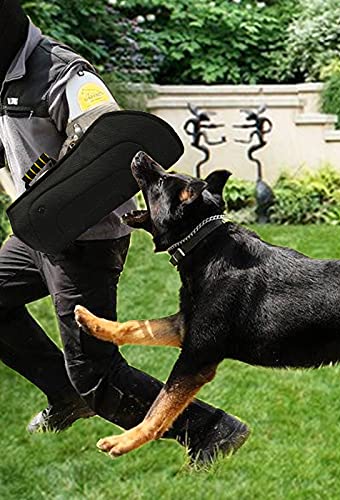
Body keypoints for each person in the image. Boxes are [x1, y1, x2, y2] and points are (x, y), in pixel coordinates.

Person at [0, 0, 249, 465]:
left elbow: (112, 153)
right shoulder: (4, 76)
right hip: (37, 235)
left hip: (86, 241)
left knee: (96, 375)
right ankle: (63, 393)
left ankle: (211, 429)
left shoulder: (63, 75)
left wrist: (54, 194)